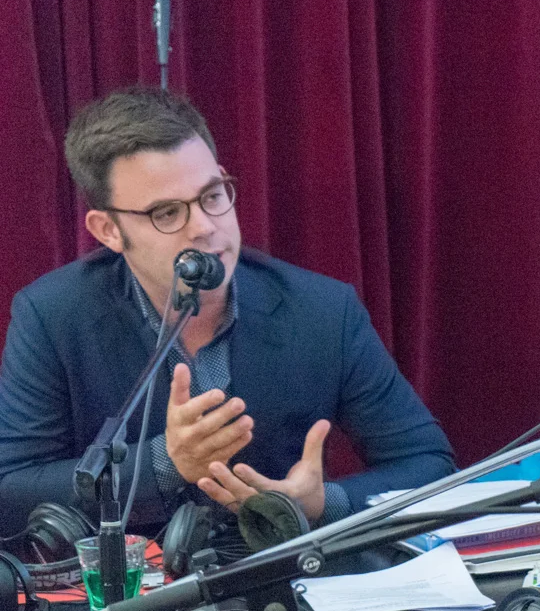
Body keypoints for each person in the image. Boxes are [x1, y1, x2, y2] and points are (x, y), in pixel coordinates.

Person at [0, 87, 455, 535]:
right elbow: (9, 492)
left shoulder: (322, 311)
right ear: (109, 231)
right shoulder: (52, 316)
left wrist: (322, 504)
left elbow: (429, 464)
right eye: (166, 212)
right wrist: (165, 464)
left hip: (281, 582)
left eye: (212, 196)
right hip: (127, 592)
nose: (204, 228)